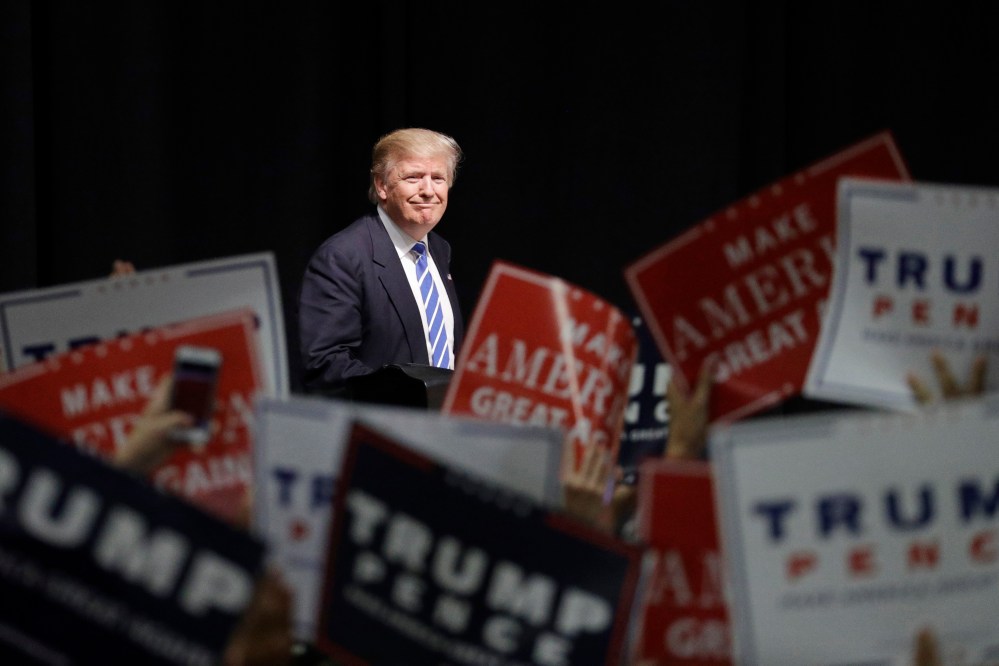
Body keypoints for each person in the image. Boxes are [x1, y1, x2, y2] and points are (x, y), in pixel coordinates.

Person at [298, 128, 465, 396]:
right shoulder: (342, 256)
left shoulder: (439, 249)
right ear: (382, 185)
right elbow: (325, 366)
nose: (428, 190)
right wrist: (413, 399)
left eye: (438, 178)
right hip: (381, 430)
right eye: (413, 177)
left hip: (443, 430)